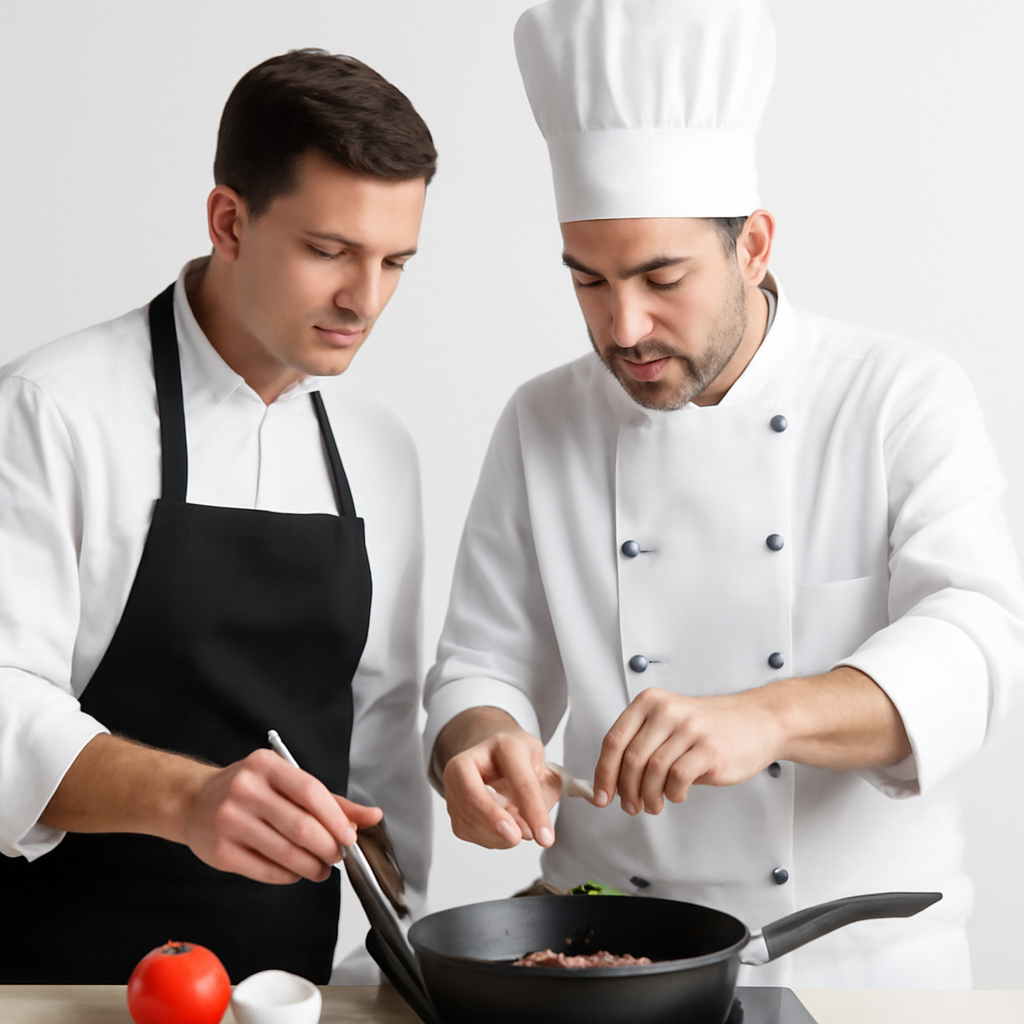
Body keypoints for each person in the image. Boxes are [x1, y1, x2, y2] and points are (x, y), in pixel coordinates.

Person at [424, 0, 1024, 989]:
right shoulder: (542, 419)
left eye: (662, 278)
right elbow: (482, 663)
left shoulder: (898, 395)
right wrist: (480, 740)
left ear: (753, 245)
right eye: (588, 282)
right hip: (608, 960)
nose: (624, 326)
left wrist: (770, 716)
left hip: (858, 971)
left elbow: (978, 643)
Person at [0, 48, 434, 984]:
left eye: (394, 261)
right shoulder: (51, 409)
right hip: (61, 982)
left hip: (298, 990)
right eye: (329, 251)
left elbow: (382, 725)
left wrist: (390, 959)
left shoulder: (380, 449)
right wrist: (191, 799)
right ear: (229, 221)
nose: (365, 299)